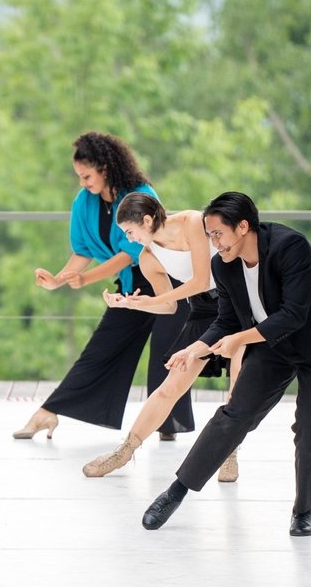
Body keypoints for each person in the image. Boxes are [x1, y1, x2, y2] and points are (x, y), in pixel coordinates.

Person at [141, 192, 311, 536]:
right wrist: (197, 348)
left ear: (243, 227)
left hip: (306, 340)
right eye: (208, 235)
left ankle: (303, 512)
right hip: (271, 346)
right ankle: (175, 492)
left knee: (307, 429)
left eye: (218, 234)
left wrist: (239, 340)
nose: (213, 242)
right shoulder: (224, 264)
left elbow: (294, 314)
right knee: (234, 416)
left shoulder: (289, 246)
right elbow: (226, 320)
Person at [14, 132, 189, 440]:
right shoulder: (84, 202)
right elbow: (82, 250)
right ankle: (47, 413)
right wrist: (59, 279)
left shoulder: (140, 194)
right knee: (101, 349)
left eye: (86, 176)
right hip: (132, 284)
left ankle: (167, 425)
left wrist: (86, 279)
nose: (83, 183)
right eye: (79, 177)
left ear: (105, 168)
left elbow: (130, 253)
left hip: (167, 279)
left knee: (167, 354)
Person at [82, 192, 243, 478]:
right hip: (203, 311)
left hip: (239, 301)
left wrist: (155, 300)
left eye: (130, 232)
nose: (129, 240)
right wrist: (133, 303)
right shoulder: (148, 258)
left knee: (237, 386)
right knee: (170, 387)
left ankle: (228, 454)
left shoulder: (192, 221)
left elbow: (202, 278)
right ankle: (125, 451)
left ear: (147, 220)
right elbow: (170, 306)